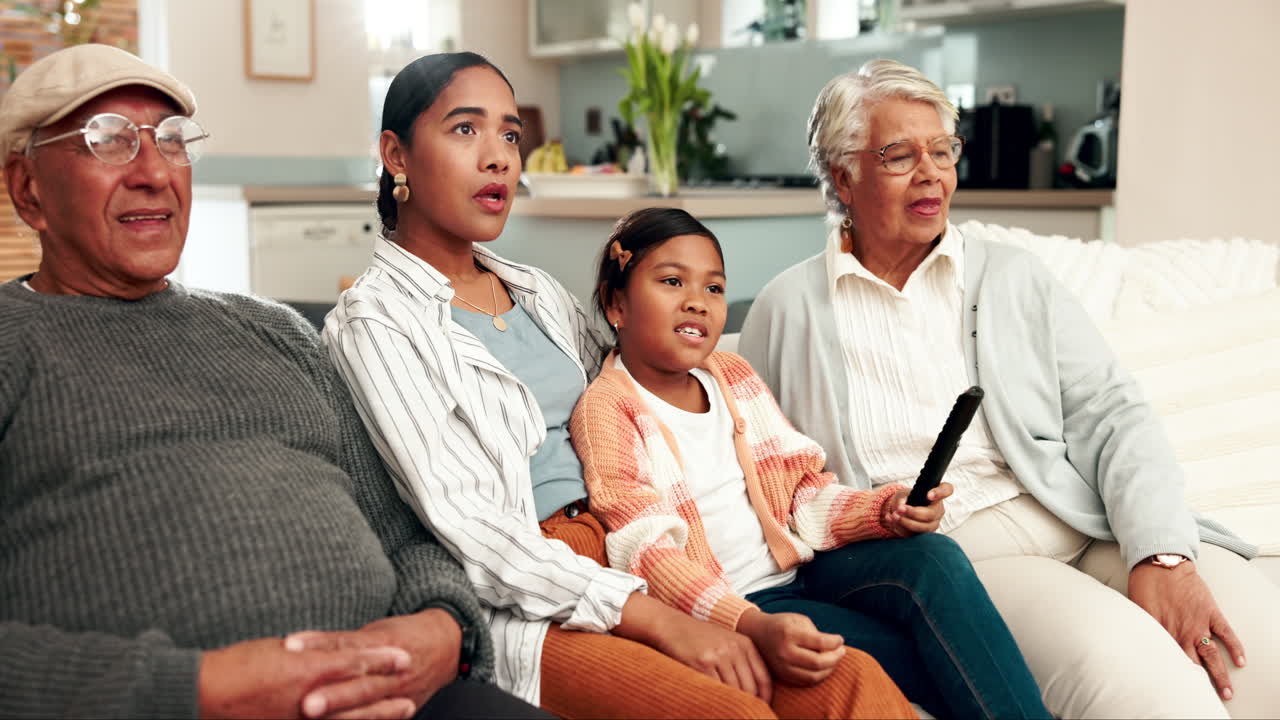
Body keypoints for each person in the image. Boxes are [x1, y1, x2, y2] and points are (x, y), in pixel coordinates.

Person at [323, 51, 913, 719]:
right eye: (466, 130)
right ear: (395, 154)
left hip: (644, 557)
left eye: (511, 135)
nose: (499, 159)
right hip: (533, 598)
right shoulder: (374, 324)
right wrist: (664, 622)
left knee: (853, 682)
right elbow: (479, 534)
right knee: (735, 712)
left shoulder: (537, 291)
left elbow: (634, 395)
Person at [0, 44, 549, 720]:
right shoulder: (10, 345)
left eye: (172, 141)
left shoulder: (275, 332)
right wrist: (199, 688)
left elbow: (403, 531)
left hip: (404, 697)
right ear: (28, 189)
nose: (153, 172)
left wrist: (443, 629)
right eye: (107, 140)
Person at [738, 58, 1280, 719]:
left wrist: (1160, 553)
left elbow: (1114, 414)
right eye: (900, 155)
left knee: (1261, 650)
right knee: (1153, 692)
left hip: (1084, 517)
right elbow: (764, 476)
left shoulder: (1014, 277)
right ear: (843, 175)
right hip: (966, 559)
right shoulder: (787, 308)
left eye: (943, 150)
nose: (932, 172)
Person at [569, 207, 1049, 719]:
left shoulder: (729, 374)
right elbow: (646, 553)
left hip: (803, 568)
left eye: (714, 288)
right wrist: (748, 624)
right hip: (748, 606)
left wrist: (885, 509)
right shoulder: (607, 410)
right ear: (615, 303)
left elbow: (801, 490)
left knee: (934, 557)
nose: (697, 303)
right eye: (671, 281)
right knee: (932, 656)